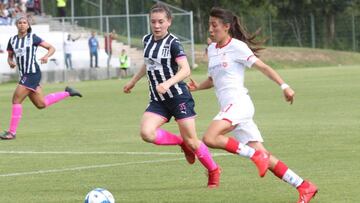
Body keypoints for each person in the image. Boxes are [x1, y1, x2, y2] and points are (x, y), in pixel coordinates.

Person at [187, 7, 318, 203]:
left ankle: (257, 156)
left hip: (239, 104)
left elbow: (263, 67)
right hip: (232, 109)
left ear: (226, 27)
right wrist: (197, 87)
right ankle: (304, 186)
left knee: (210, 137)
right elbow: (214, 80)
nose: (211, 30)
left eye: (214, 26)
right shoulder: (212, 49)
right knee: (264, 154)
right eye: (209, 25)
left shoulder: (237, 47)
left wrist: (284, 86)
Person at [123, 3, 221, 188]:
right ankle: (181, 143)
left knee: (193, 141)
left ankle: (214, 170)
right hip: (158, 100)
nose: (157, 25)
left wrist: (167, 83)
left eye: (161, 21)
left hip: (178, 98)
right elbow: (147, 63)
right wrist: (133, 81)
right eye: (153, 22)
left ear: (169, 22)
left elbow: (185, 70)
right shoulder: (147, 40)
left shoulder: (173, 43)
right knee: (146, 133)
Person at [0, 15, 82, 140]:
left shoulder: (33, 38)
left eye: (24, 22)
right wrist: (10, 61)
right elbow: (10, 55)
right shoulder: (12, 40)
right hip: (24, 74)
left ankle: (12, 132)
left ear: (28, 25)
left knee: (16, 100)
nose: (22, 24)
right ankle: (68, 92)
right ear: (16, 25)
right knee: (41, 104)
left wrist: (46, 56)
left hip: (32, 73)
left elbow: (51, 48)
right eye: (20, 23)